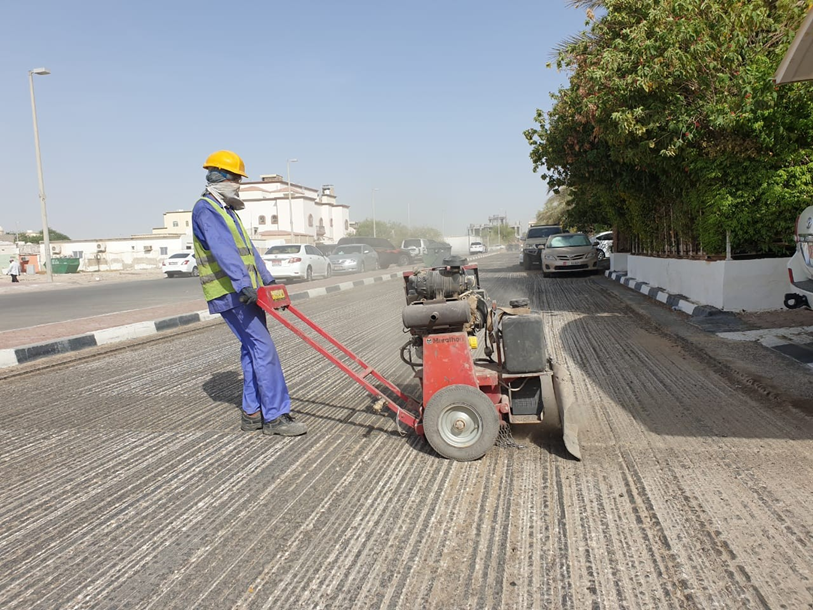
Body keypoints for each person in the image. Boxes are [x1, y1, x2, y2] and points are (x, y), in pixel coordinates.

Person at [192, 150, 307, 437]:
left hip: (248, 292)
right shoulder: (206, 209)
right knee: (263, 350)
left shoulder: (227, 210)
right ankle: (276, 416)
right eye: (235, 178)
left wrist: (268, 282)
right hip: (232, 293)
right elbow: (223, 251)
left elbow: (249, 251)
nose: (238, 184)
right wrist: (243, 284)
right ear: (219, 176)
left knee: (252, 350)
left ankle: (252, 412)